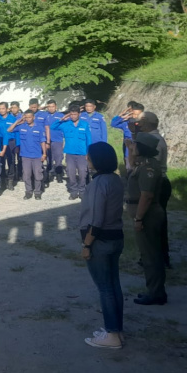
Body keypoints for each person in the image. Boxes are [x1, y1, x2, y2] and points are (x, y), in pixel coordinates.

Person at [80, 142, 125, 349]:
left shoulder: (98, 184)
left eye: (89, 157)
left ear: (97, 160)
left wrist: (87, 245)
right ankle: (115, 329)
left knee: (105, 288)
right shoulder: (115, 179)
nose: (87, 159)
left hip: (100, 240)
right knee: (114, 286)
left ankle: (113, 335)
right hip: (116, 237)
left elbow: (96, 219)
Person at [128, 130, 168, 305]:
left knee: (150, 256)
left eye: (136, 144)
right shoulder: (143, 163)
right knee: (149, 254)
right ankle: (154, 290)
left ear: (142, 147)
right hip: (147, 214)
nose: (133, 146)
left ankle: (156, 293)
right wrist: (130, 150)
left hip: (148, 215)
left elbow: (147, 196)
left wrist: (138, 218)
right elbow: (131, 164)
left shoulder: (148, 168)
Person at [130, 112, 172, 268]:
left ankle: (154, 258)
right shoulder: (153, 138)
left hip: (155, 182)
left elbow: (144, 165)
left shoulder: (152, 142)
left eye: (140, 122)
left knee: (152, 222)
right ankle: (156, 257)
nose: (137, 125)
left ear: (146, 123)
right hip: (158, 180)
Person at [51, 104, 93, 200]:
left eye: (75, 114)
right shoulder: (66, 124)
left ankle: (82, 190)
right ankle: (74, 191)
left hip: (82, 154)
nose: (73, 116)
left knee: (83, 173)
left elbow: (89, 139)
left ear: (79, 114)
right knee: (71, 173)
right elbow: (52, 127)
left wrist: (88, 153)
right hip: (70, 153)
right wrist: (62, 118)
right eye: (71, 114)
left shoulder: (84, 124)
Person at [8, 111, 46, 200]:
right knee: (26, 175)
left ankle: (37, 192)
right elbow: (9, 130)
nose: (28, 119)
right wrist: (18, 121)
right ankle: (28, 192)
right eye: (26, 117)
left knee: (37, 174)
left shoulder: (39, 128)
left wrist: (44, 153)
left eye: (29, 117)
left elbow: (42, 141)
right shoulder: (21, 127)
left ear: (33, 118)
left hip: (37, 155)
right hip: (25, 155)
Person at [111, 102, 144, 175]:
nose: (134, 116)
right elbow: (113, 124)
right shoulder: (126, 122)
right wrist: (121, 116)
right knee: (129, 169)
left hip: (140, 150)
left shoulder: (144, 123)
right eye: (132, 113)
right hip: (128, 150)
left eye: (136, 114)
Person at [44, 100, 65, 185]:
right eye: (49, 106)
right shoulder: (45, 115)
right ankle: (50, 174)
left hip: (58, 139)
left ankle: (59, 174)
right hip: (47, 140)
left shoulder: (60, 115)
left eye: (52, 106)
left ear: (56, 107)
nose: (51, 108)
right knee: (49, 158)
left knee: (58, 158)